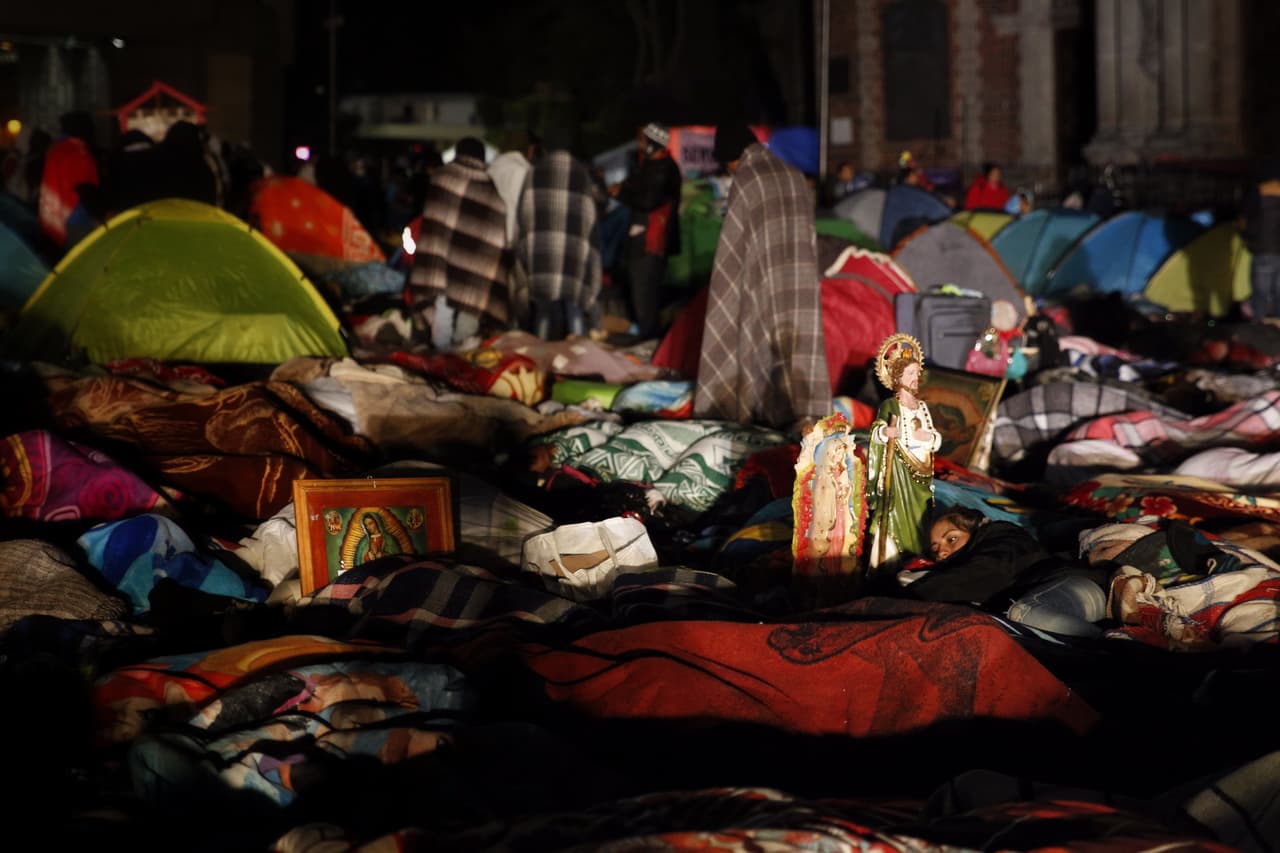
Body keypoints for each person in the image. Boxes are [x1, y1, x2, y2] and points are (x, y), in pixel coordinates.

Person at [692, 122, 829, 431]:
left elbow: (734, 247)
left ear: (731, 158)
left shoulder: (747, 177)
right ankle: (803, 413)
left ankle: (757, 413)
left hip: (761, 277)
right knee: (797, 345)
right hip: (797, 277)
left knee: (757, 339)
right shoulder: (793, 174)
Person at [896, 506, 1110, 639]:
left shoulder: (1005, 541)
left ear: (975, 530)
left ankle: (1117, 649)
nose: (942, 551)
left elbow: (982, 574)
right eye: (935, 549)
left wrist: (907, 596)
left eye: (952, 539)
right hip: (1067, 598)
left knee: (1023, 614)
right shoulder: (979, 553)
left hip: (1078, 587)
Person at [408, 135, 512, 349]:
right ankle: (461, 363)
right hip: (475, 269)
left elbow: (433, 225)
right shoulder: (489, 188)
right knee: (470, 311)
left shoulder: (442, 178)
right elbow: (496, 227)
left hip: (443, 264)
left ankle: (440, 359)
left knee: (443, 312)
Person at [516, 131, 602, 340]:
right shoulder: (581, 174)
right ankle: (579, 364)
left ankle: (541, 362)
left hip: (543, 256)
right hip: (572, 256)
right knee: (574, 310)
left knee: (544, 313)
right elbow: (590, 216)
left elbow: (525, 213)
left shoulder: (535, 173)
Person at [866, 334, 940, 572]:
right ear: (898, 377)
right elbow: (877, 431)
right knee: (895, 514)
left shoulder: (922, 407)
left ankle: (916, 558)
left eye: (917, 373)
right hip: (898, 472)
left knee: (921, 519)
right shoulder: (890, 406)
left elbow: (935, 438)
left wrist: (928, 438)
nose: (916, 378)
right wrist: (885, 431)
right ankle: (888, 562)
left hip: (921, 473)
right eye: (911, 374)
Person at [610, 122, 683, 338]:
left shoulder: (662, 168)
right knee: (641, 297)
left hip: (651, 242)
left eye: (643, 139)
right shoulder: (650, 165)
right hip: (643, 241)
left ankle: (650, 343)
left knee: (646, 300)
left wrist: (621, 193)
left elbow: (647, 200)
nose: (639, 144)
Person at [38, 110, 101, 248]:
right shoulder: (77, 151)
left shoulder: (56, 149)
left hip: (61, 217)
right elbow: (84, 187)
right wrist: (98, 217)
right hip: (79, 219)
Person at [1239, 160, 1280, 323]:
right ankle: (1278, 323)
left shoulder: (1258, 191)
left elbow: (1243, 219)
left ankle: (1259, 323)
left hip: (1263, 248)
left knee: (1260, 288)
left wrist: (1246, 238)